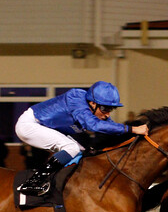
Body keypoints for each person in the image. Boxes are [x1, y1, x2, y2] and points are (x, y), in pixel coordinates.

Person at [14, 81, 149, 196]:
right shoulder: (77, 101)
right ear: (92, 103)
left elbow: (110, 126)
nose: (107, 114)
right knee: (71, 148)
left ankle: (59, 183)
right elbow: (94, 125)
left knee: (82, 151)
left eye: (111, 109)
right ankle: (33, 183)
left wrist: (133, 133)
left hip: (44, 126)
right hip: (29, 125)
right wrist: (132, 129)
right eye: (105, 109)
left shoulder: (91, 106)